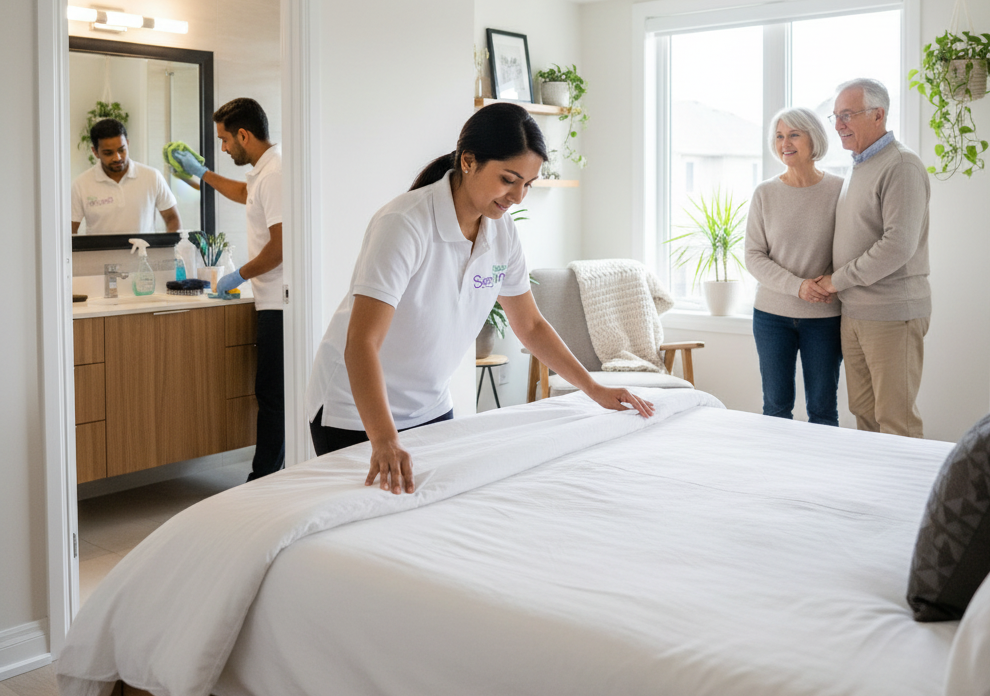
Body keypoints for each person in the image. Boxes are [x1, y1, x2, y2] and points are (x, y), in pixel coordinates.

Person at [306, 102, 655, 495]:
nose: (518, 197)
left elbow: (531, 325)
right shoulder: (404, 224)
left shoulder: (501, 232)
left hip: (430, 407)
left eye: (528, 183)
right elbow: (361, 342)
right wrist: (384, 439)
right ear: (468, 161)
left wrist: (595, 390)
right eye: (509, 179)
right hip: (355, 414)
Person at [172, 98, 285, 478]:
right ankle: (270, 474)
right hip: (270, 300)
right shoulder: (265, 171)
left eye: (224, 140)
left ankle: (263, 479)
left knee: (272, 397)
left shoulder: (275, 173)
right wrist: (202, 174)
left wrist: (238, 275)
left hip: (281, 304)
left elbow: (281, 247)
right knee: (273, 395)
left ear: (243, 135)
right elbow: (243, 195)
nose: (222, 148)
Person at [814, 78, 931, 437]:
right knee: (863, 415)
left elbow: (898, 245)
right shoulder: (858, 166)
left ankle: (908, 494)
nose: (838, 126)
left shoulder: (902, 165)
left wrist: (836, 280)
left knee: (896, 419)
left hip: (891, 313)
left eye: (847, 115)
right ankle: (873, 494)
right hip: (855, 312)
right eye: (835, 116)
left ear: (878, 115)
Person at [744, 108, 844, 426]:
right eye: (779, 136)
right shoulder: (765, 193)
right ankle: (775, 475)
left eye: (794, 135)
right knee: (776, 407)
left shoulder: (840, 191)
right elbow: (754, 256)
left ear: (813, 138)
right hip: (772, 317)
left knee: (823, 408)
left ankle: (823, 476)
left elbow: (851, 249)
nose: (785, 143)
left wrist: (830, 282)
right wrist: (797, 286)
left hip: (825, 317)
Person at [71, 118, 181, 234]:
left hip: (145, 252)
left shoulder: (152, 177)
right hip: (100, 252)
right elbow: (70, 230)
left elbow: (172, 218)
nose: (117, 157)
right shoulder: (81, 185)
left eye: (121, 150)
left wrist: (167, 250)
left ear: (127, 144)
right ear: (95, 152)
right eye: (108, 153)